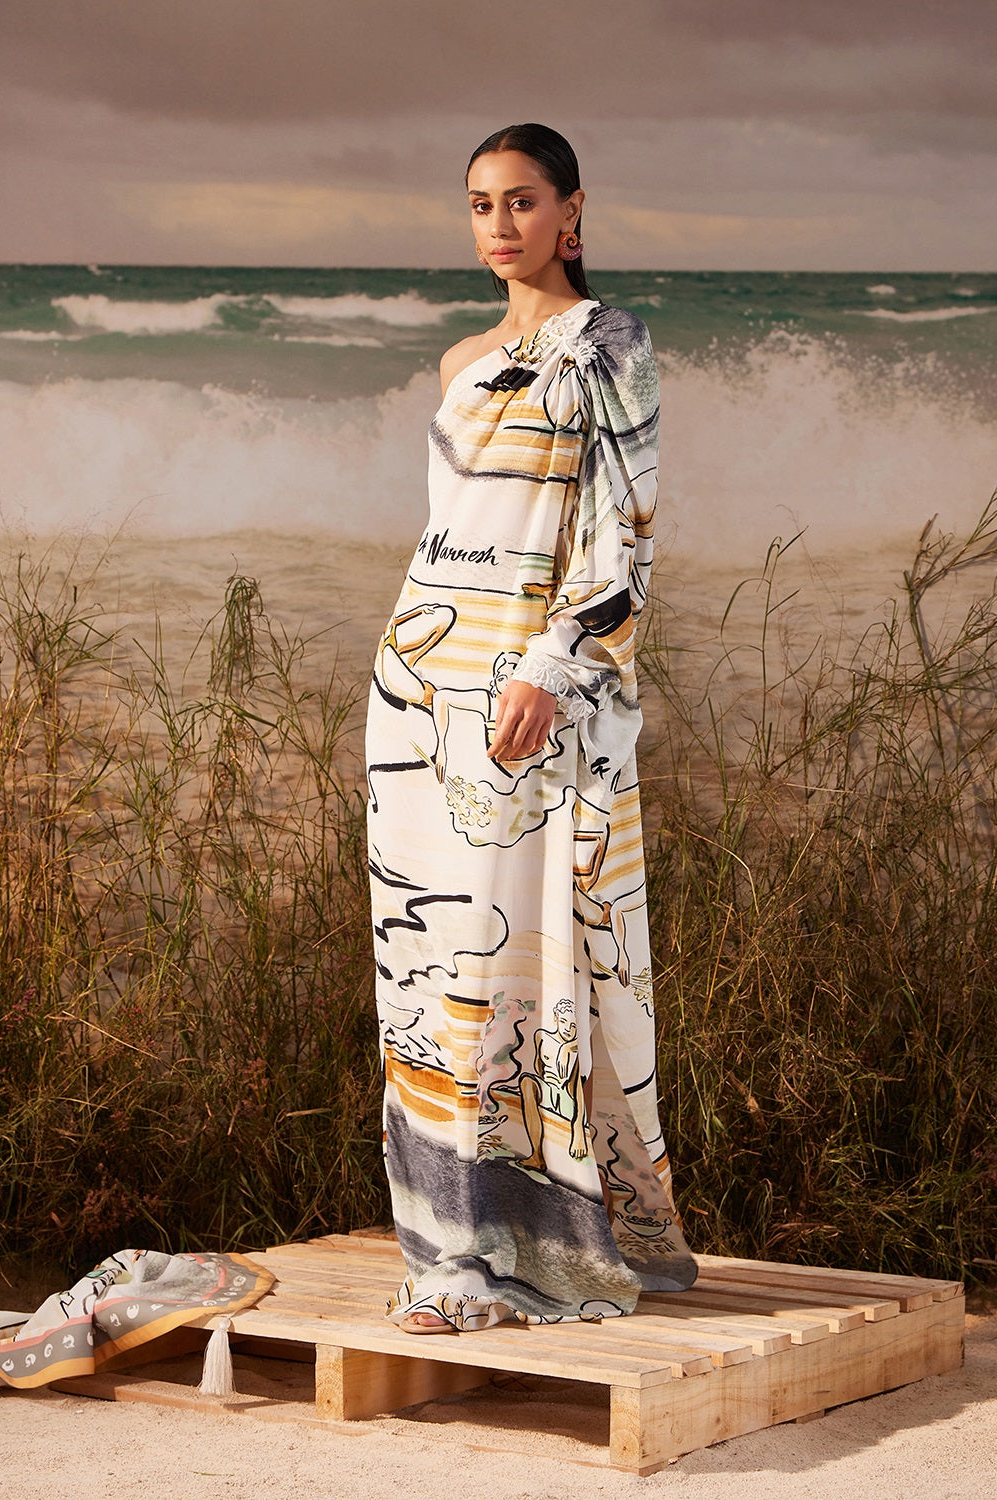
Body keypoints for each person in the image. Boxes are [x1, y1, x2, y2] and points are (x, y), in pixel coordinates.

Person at [365, 122, 698, 1334]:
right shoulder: (460, 359)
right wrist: (430, 675)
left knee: (520, 957)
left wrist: (552, 668)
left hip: (530, 694)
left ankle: (535, 1238)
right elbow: (450, 531)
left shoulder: (609, 344)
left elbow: (625, 535)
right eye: (478, 204)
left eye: (520, 200)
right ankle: (448, 1241)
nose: (498, 224)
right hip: (422, 691)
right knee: (429, 967)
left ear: (571, 210)